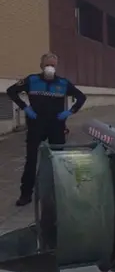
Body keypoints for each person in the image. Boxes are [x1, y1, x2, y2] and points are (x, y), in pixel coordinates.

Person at [6, 53, 86, 206]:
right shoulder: (31, 80)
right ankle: (26, 194)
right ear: (41, 66)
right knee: (31, 160)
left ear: (56, 67)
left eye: (53, 65)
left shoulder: (63, 83)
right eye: (47, 65)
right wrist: (25, 108)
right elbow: (11, 91)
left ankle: (59, 191)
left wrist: (70, 112)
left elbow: (81, 97)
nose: (50, 68)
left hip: (56, 125)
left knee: (58, 159)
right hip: (36, 124)